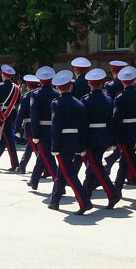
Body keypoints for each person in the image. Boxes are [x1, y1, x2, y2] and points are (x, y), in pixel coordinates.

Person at [48, 70, 93, 214]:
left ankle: (84, 201)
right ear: (71, 87)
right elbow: (83, 126)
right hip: (75, 141)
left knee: (69, 173)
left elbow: (56, 127)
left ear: (57, 88)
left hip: (63, 142)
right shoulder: (79, 104)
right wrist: (82, 145)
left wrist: (55, 146)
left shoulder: (56, 103)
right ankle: (54, 201)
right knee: (62, 171)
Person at [81, 68, 120, 208]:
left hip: (92, 137)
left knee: (96, 166)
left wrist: (82, 141)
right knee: (92, 166)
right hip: (104, 135)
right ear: (102, 84)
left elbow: (84, 123)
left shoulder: (86, 100)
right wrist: (112, 139)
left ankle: (112, 193)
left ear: (89, 84)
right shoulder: (108, 99)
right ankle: (85, 196)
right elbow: (111, 121)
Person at [112, 66, 136, 200]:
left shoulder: (119, 98)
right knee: (124, 162)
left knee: (132, 162)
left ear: (122, 81)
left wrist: (114, 136)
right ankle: (116, 191)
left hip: (124, 132)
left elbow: (117, 119)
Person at [28, 66, 60, 189]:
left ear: (40, 80)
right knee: (43, 156)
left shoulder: (35, 94)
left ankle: (59, 185)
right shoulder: (57, 93)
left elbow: (34, 116)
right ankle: (34, 181)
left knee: (49, 159)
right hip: (55, 129)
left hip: (41, 130)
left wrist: (35, 134)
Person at [0, 64, 22, 171]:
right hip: (12, 113)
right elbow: (18, 102)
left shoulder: (0, 86)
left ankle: (15, 164)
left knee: (9, 139)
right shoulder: (17, 88)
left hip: (3, 113)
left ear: (3, 75)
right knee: (6, 136)